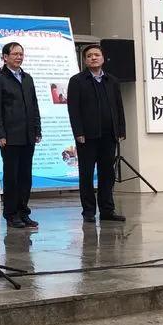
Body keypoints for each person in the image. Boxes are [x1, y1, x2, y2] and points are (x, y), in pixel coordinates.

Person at [66, 44, 126, 223]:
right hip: (87, 136)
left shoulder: (112, 80)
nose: (93, 58)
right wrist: (78, 132)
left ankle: (107, 210)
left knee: (107, 174)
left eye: (97, 55)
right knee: (86, 174)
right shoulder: (77, 81)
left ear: (103, 58)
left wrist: (121, 129)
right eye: (89, 55)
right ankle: (89, 211)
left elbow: (119, 107)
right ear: (85, 60)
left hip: (109, 135)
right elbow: (73, 109)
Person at [0, 42, 41, 229]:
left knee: (26, 177)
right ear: (5, 57)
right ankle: (11, 214)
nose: (19, 57)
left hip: (28, 135)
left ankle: (24, 212)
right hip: (10, 137)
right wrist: (0, 135)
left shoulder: (28, 78)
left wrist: (37, 129)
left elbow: (34, 106)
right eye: (15, 54)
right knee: (12, 177)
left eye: (21, 54)